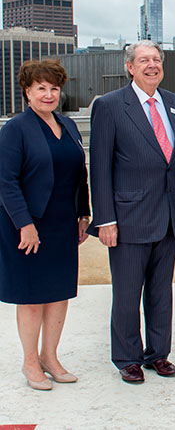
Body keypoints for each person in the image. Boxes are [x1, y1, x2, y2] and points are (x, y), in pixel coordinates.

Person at [87, 41, 175, 384]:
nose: (152, 65)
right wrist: (105, 219)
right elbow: (100, 167)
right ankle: (127, 357)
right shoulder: (110, 106)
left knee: (162, 291)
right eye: (144, 60)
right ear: (130, 66)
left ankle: (158, 354)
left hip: (168, 217)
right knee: (128, 293)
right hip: (127, 218)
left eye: (156, 59)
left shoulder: (174, 104)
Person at [0, 60, 90, 390]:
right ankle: (29, 362)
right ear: (27, 91)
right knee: (33, 297)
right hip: (27, 226)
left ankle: (49, 357)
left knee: (58, 294)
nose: (49, 94)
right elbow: (6, 182)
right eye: (41, 88)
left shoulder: (68, 126)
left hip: (62, 224)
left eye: (54, 88)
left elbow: (80, 174)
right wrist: (24, 224)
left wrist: (83, 215)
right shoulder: (15, 129)